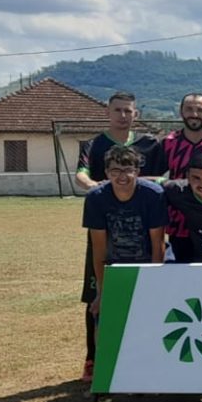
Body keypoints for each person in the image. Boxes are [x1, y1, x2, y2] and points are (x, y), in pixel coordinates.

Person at [80, 145, 166, 381]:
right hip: (115, 265)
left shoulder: (153, 194)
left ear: (137, 171)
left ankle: (151, 371)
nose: (122, 176)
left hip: (146, 263)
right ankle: (105, 371)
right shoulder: (96, 198)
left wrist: (154, 285)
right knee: (103, 314)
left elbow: (158, 244)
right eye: (115, 170)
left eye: (128, 170)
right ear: (106, 173)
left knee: (149, 317)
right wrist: (102, 291)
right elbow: (98, 249)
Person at [158, 92, 202, 263]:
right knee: (182, 275)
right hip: (180, 224)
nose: (194, 114)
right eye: (189, 109)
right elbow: (156, 178)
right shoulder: (168, 142)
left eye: (200, 110)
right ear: (181, 112)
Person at [74, 91, 164, 192]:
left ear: (136, 114)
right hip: (106, 200)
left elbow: (167, 175)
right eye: (117, 110)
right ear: (107, 112)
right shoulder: (92, 145)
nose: (123, 115)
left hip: (145, 201)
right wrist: (92, 185)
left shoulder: (151, 144)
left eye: (127, 111)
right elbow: (81, 173)